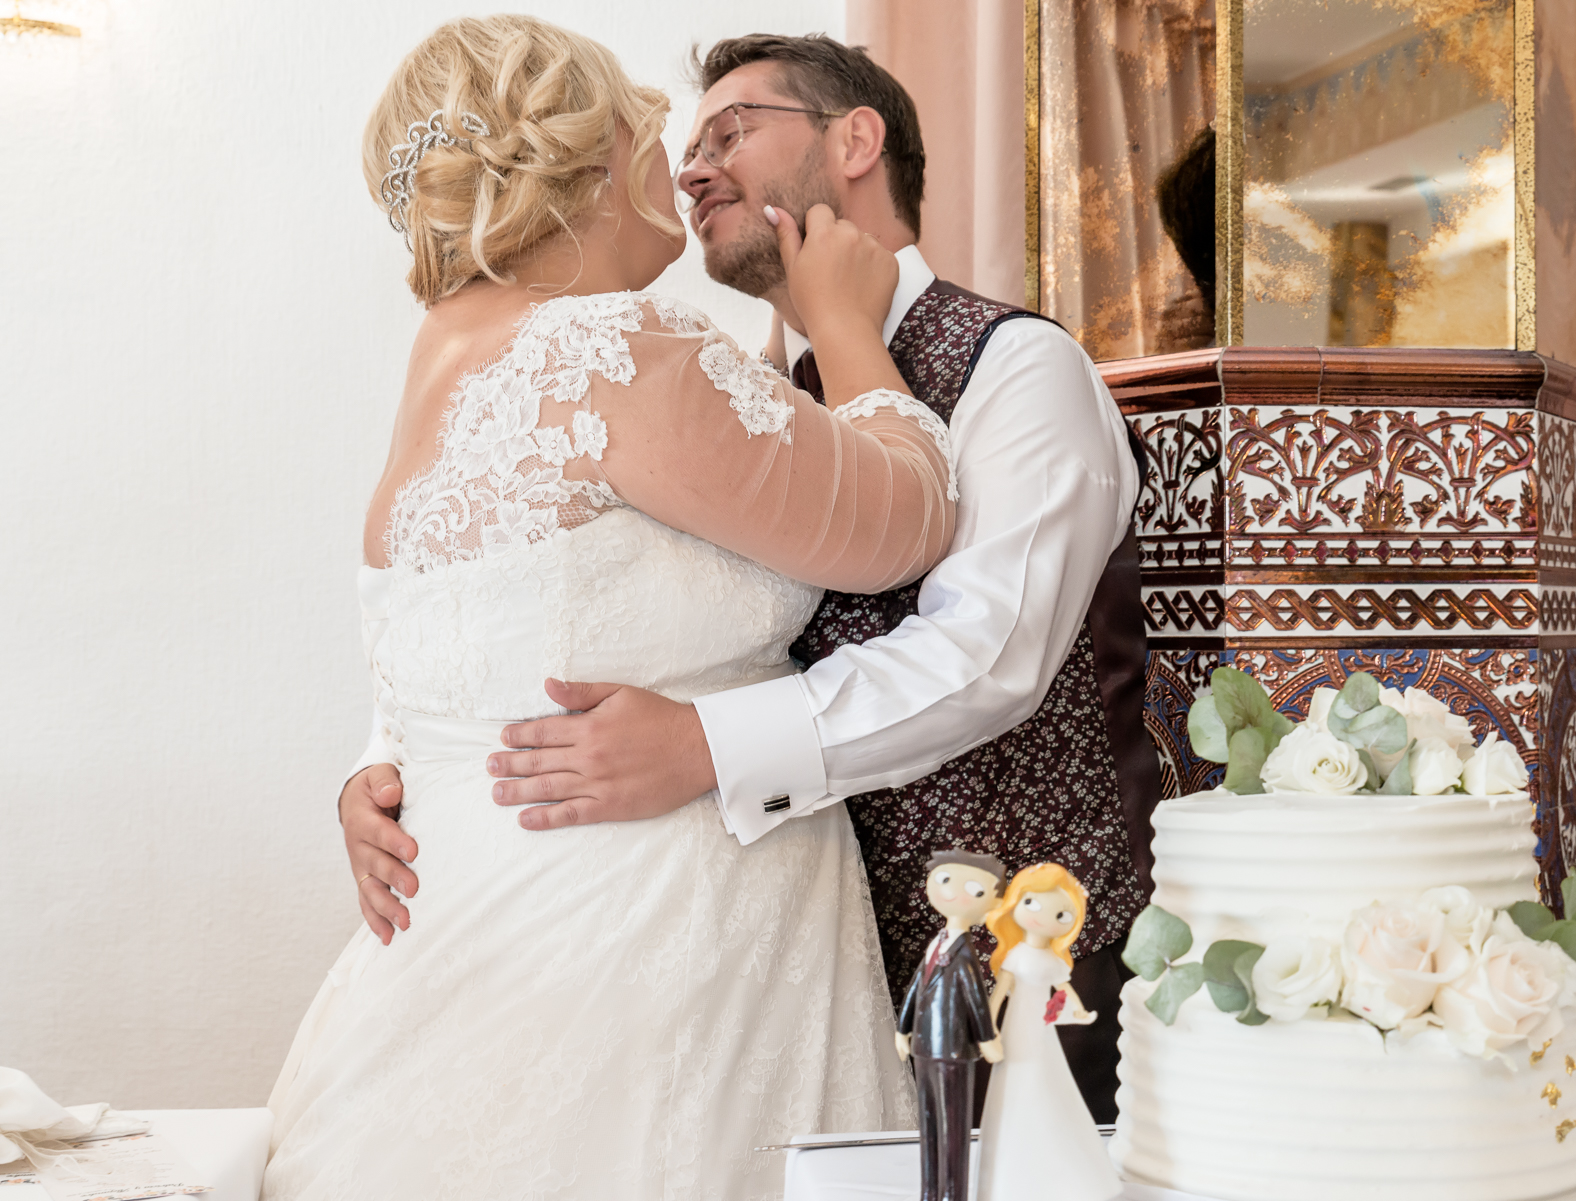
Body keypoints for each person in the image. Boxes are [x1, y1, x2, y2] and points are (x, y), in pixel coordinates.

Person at [338, 32, 1160, 1121]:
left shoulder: (1017, 365)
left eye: (732, 130)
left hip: (1013, 961)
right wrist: (393, 763)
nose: (687, 166)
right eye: (679, 142)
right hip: (733, 970)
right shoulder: (714, 384)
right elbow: (527, 596)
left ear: (856, 140)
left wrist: (704, 745)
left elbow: (988, 657)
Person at [266, 16, 959, 1200]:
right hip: (648, 965)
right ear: (594, 165)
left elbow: (467, 644)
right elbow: (904, 521)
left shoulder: (442, 358)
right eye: (659, 135)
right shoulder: (619, 352)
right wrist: (844, 320)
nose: (683, 171)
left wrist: (375, 769)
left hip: (469, 942)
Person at [976, 863, 1120, 1201]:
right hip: (1016, 1030)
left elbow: (1063, 989)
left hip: (1041, 1031)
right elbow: (997, 998)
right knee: (1014, 1084)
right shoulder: (1014, 955)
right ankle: (1012, 1163)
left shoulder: (1053, 960)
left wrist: (1079, 1010)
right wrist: (989, 1030)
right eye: (1032, 903)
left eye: (1060, 914)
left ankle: (1056, 1159)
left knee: (1047, 1081)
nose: (1041, 916)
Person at [895, 851, 1007, 1201]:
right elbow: (916, 988)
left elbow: (976, 998)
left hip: (955, 1050)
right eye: (945, 881)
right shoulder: (937, 944)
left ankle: (952, 1194)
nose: (955, 894)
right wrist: (903, 1030)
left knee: (953, 1126)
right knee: (928, 1123)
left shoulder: (965, 955)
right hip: (924, 1046)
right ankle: (930, 1189)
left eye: (973, 889)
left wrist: (986, 1038)